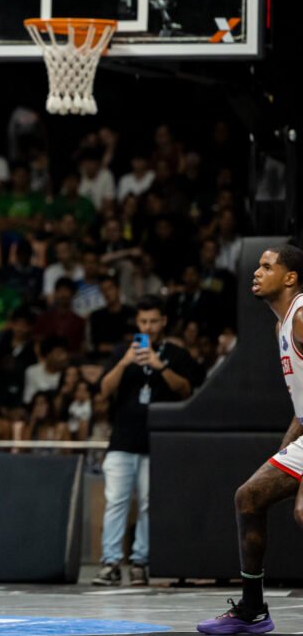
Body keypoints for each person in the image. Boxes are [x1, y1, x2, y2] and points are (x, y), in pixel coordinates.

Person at [198, 245, 303, 634]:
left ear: (290, 277)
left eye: (266, 266)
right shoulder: (282, 327)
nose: (256, 272)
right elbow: (302, 408)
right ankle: (253, 610)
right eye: (256, 266)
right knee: (250, 496)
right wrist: (284, 453)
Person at [94, 295, 198, 588]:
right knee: (116, 501)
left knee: (149, 504)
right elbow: (103, 390)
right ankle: (110, 562)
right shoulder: (121, 352)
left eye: (153, 321)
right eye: (143, 322)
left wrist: (158, 364)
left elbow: (186, 390)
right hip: (122, 439)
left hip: (158, 442)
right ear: (136, 323)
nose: (149, 326)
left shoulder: (176, 354)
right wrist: (126, 362)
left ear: (163, 321)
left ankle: (140, 562)